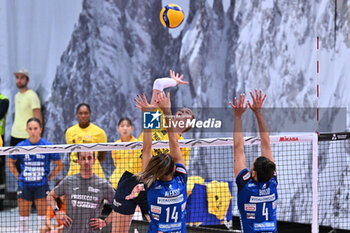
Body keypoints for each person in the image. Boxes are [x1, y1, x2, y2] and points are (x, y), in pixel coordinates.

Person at [111, 70, 193, 233]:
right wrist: (174, 82)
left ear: (187, 127)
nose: (183, 112)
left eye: (188, 114)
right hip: (133, 177)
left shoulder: (182, 144)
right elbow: (158, 84)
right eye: (182, 111)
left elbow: (177, 168)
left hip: (155, 184)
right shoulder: (159, 119)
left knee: (161, 225)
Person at [124, 91, 188, 233]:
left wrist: (150, 113)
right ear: (173, 170)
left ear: (156, 172)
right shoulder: (181, 182)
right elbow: (175, 144)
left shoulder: (152, 186)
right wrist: (167, 111)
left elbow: (146, 149)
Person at [229, 90, 278, 233]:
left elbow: (239, 149)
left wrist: (238, 117)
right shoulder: (272, 183)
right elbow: (266, 144)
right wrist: (258, 113)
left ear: (254, 173)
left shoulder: (246, 186)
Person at [7, 118, 63, 232]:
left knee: (42, 220)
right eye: (30, 129)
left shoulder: (47, 145)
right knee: (23, 220)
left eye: (35, 128)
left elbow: (59, 165)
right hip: (25, 185)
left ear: (40, 130)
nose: (33, 131)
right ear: (26, 130)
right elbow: (10, 162)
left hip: (41, 185)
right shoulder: (21, 145)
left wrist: (49, 177)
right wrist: (19, 177)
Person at [47, 151, 116, 233]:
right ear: (78, 161)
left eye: (89, 158)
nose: (86, 161)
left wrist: (105, 222)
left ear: (94, 160)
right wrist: (57, 212)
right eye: (83, 158)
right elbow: (50, 196)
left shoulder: (103, 185)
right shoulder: (68, 181)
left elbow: (119, 205)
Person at [65, 103, 107, 179]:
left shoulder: (99, 132)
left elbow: (102, 155)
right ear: (77, 115)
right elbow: (70, 153)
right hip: (74, 171)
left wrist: (89, 162)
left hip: (94, 171)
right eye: (80, 113)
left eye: (86, 113)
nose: (83, 116)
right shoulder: (69, 132)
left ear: (89, 114)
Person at [11, 69, 42, 146]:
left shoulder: (32, 95)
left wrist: (37, 134)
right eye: (17, 78)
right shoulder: (17, 95)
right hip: (15, 134)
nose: (19, 80)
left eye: (22, 78)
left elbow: (38, 117)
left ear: (27, 80)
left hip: (27, 135)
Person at [109, 117, 139, 189]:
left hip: (133, 179)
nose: (125, 128)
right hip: (117, 179)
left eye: (127, 126)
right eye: (122, 126)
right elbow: (116, 163)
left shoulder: (137, 144)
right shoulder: (115, 145)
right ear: (118, 128)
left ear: (132, 128)